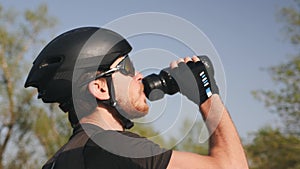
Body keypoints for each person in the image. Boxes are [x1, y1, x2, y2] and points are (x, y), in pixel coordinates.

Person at [24, 26, 249, 169]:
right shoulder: (114, 147)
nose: (139, 75)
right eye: (127, 67)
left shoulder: (57, 162)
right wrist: (207, 94)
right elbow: (231, 166)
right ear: (100, 88)